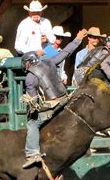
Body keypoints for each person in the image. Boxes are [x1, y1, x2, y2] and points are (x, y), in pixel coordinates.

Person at [21, 28, 88, 169]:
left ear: (27, 63)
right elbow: (66, 52)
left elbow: (33, 102)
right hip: (65, 98)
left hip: (53, 105)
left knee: (33, 124)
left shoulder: (30, 77)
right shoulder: (50, 62)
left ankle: (33, 153)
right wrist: (78, 38)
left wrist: (31, 109)